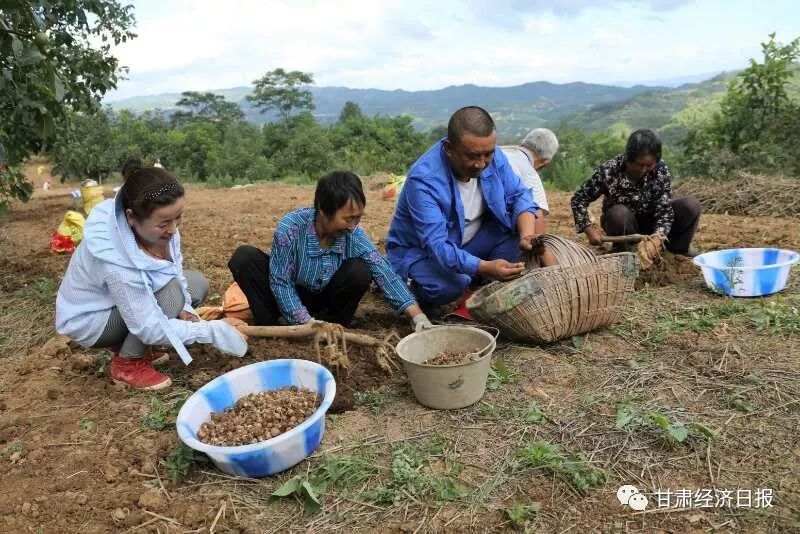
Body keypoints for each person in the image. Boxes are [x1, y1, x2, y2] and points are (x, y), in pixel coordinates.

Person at [56, 158, 247, 390]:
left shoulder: (164, 229)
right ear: (131, 217)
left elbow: (175, 269)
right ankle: (128, 362)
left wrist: (186, 310)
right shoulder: (114, 257)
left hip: (120, 305)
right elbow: (148, 324)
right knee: (171, 295)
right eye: (165, 223)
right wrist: (211, 332)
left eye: (179, 217)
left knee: (195, 285)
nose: (174, 229)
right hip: (92, 319)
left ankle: (143, 345)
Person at [228, 171, 433, 331]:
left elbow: (384, 273)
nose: (353, 225)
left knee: (360, 270)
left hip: (325, 301)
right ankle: (273, 327)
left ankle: (333, 325)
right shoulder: (290, 228)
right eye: (348, 218)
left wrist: (417, 316)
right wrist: (305, 322)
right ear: (323, 210)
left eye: (358, 217)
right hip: (287, 296)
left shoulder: (353, 235)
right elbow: (281, 282)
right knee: (245, 258)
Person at [386, 106, 541, 315]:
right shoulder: (424, 181)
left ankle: (477, 280)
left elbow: (519, 195)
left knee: (516, 230)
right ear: (449, 148)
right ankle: (408, 285)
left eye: (488, 154)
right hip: (423, 252)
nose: (481, 164)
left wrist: (527, 236)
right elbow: (438, 247)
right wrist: (485, 266)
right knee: (449, 286)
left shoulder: (493, 158)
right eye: (472, 156)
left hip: (470, 242)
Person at [570, 128, 702, 264]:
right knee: (618, 213)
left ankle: (677, 249)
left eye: (649, 165)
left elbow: (664, 211)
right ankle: (623, 251)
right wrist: (587, 228)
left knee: (690, 205)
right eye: (639, 164)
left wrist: (657, 238)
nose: (644, 170)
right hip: (623, 226)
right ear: (629, 158)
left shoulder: (660, 170)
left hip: (652, 222)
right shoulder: (609, 171)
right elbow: (578, 199)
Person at [500, 128, 559, 235]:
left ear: (523, 143)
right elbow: (537, 221)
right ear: (545, 162)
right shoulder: (529, 174)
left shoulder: (496, 152)